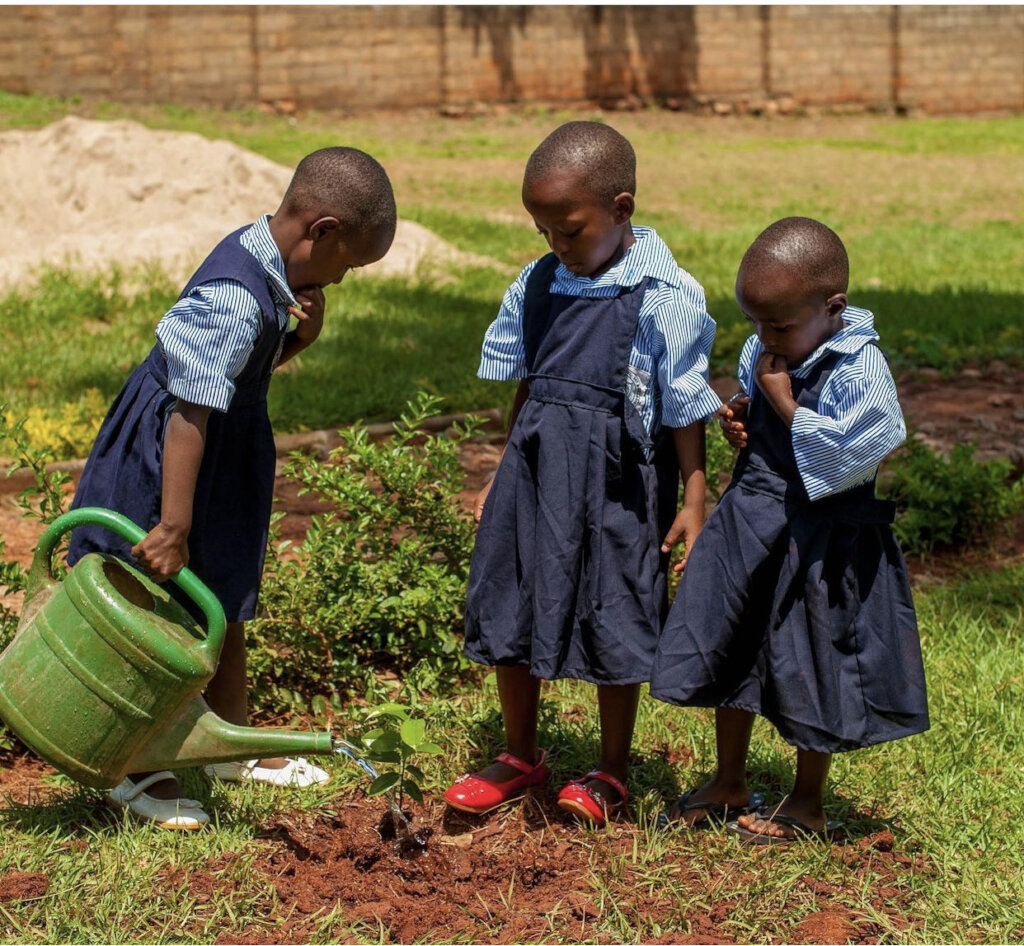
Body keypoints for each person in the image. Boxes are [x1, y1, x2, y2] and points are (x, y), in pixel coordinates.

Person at [67, 147, 397, 829]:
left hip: (221, 453)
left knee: (222, 593)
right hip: (174, 459)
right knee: (149, 605)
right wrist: (173, 525)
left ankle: (229, 742)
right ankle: (131, 765)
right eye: (349, 264)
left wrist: (301, 339)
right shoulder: (234, 298)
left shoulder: (271, 267)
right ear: (323, 231)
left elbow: (242, 371)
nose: (345, 277)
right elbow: (189, 413)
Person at [443, 121, 721, 826]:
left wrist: (694, 496)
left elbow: (685, 405)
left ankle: (610, 767)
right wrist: (501, 468)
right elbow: (529, 382)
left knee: (614, 603)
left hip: (618, 478)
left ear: (621, 209)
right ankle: (519, 754)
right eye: (543, 230)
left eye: (568, 230)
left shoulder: (665, 294)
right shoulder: (539, 282)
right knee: (510, 591)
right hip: (536, 464)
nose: (556, 245)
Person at [649, 217, 929, 843]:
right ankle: (728, 779)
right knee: (734, 642)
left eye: (778, 325)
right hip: (753, 518)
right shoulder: (769, 349)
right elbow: (761, 423)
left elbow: (856, 453)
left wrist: (783, 404)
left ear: (833, 307)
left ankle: (806, 802)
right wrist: (743, 417)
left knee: (812, 660)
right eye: (755, 322)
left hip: (821, 537)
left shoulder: (860, 368)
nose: (764, 337)